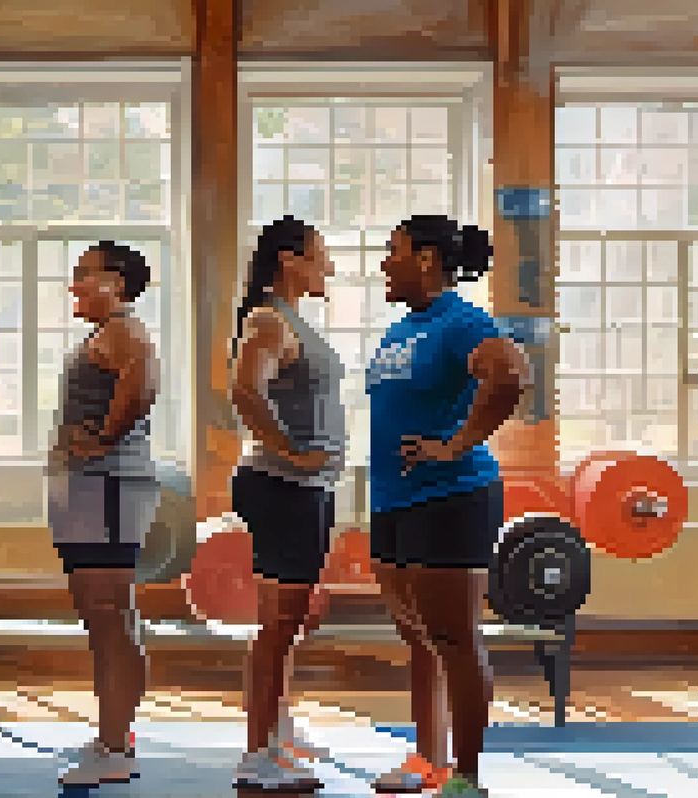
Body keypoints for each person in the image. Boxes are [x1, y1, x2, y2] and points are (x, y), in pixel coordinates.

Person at [364, 215, 527, 795]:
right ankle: (428, 759)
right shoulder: (399, 330)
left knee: (454, 636)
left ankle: (467, 776)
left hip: (451, 496)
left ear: (428, 259)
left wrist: (457, 445)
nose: (386, 263)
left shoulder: (462, 321)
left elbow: (508, 375)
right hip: (393, 500)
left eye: (395, 251)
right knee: (418, 637)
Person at [226, 216, 345, 792]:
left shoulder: (290, 319)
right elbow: (245, 388)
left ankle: (276, 731)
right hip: (283, 487)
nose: (328, 267)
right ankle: (257, 755)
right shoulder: (271, 319)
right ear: (289, 260)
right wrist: (290, 451)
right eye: (320, 256)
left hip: (301, 490)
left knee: (288, 623)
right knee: (277, 626)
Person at [47, 241, 161, 787]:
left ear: (115, 283)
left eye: (83, 276)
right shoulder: (105, 333)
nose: (74, 286)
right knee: (104, 619)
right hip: (94, 489)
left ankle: (115, 748)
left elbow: (144, 378)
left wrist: (105, 439)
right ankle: (114, 733)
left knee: (110, 616)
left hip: (108, 488)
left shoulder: (123, 330)